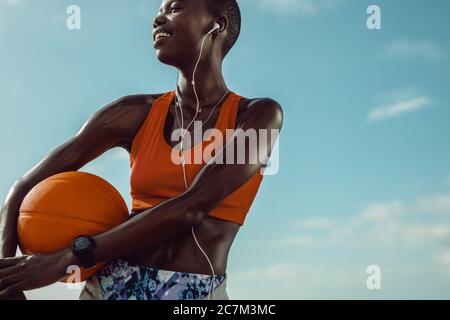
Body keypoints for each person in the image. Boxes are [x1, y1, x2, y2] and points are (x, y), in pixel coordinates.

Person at [0, 0, 283, 300]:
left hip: (194, 294)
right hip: (110, 285)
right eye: (159, 11)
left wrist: (69, 257)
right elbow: (23, 187)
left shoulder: (258, 116)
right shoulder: (135, 112)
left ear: (217, 25)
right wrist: (7, 281)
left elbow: (194, 205)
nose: (158, 19)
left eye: (175, 7)